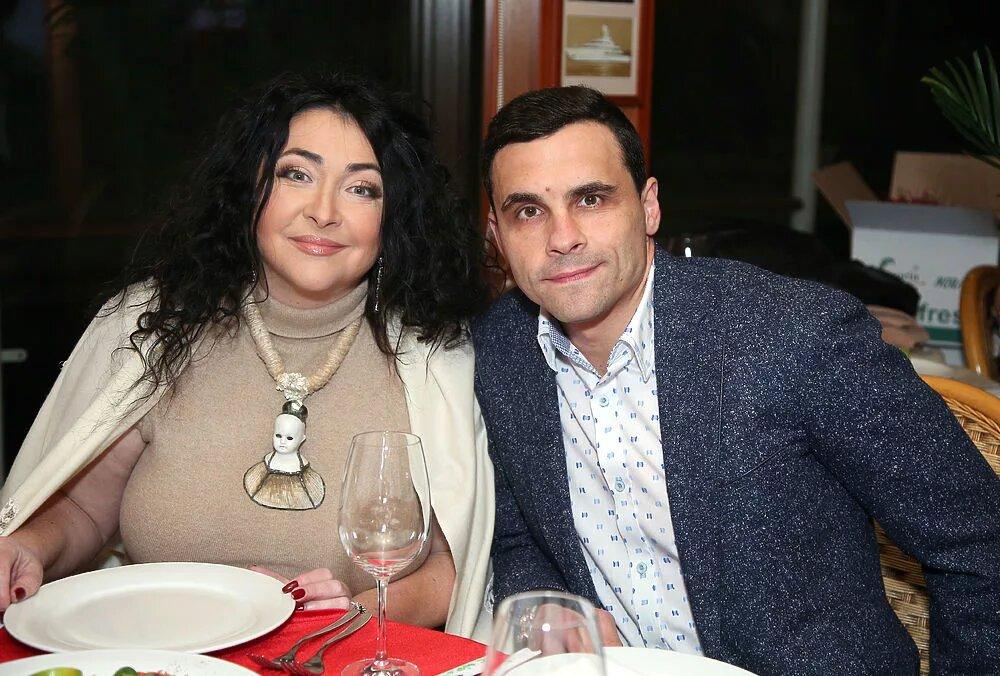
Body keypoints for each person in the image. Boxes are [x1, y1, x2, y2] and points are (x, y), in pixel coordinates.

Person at [472, 86, 1000, 673]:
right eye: (528, 211)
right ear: (496, 234)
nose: (562, 238)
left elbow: (979, 541)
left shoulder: (795, 336)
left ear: (649, 207)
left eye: (591, 199)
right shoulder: (500, 351)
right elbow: (519, 535)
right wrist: (556, 610)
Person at [0, 71, 494, 638]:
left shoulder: (437, 360)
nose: (324, 211)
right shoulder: (154, 328)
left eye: (362, 188)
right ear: (249, 188)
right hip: (161, 655)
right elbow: (84, 511)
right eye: (296, 174)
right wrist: (28, 549)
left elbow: (454, 566)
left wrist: (354, 614)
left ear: (395, 215)